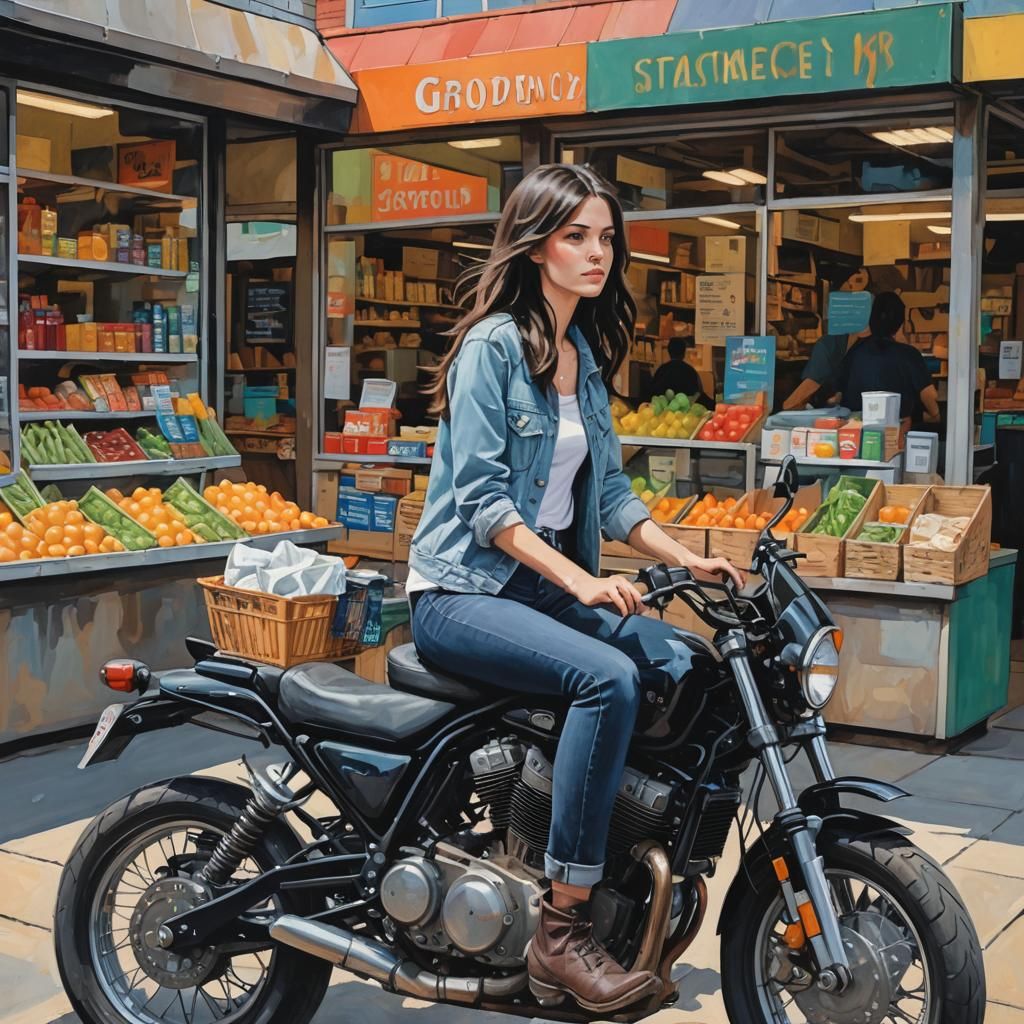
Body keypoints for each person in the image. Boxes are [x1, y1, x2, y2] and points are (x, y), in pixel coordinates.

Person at [407, 164, 744, 1013]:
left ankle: (634, 867)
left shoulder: (582, 353)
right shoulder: (492, 347)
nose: (599, 252)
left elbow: (615, 493)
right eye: (577, 236)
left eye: (605, 237)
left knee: (690, 666)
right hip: (462, 590)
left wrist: (687, 556)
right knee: (609, 677)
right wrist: (584, 581)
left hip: (535, 589)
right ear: (535, 245)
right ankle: (562, 931)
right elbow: (484, 507)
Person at [835, 291, 940, 424]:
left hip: (857, 429)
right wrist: (936, 416)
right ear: (900, 324)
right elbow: (929, 396)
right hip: (898, 429)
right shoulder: (909, 354)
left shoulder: (854, 352)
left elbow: (838, 395)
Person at [642, 336, 713, 407]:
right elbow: (698, 394)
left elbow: (652, 393)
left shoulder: (661, 370)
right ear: (684, 352)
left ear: (669, 351)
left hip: (664, 413)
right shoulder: (690, 371)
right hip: (687, 413)